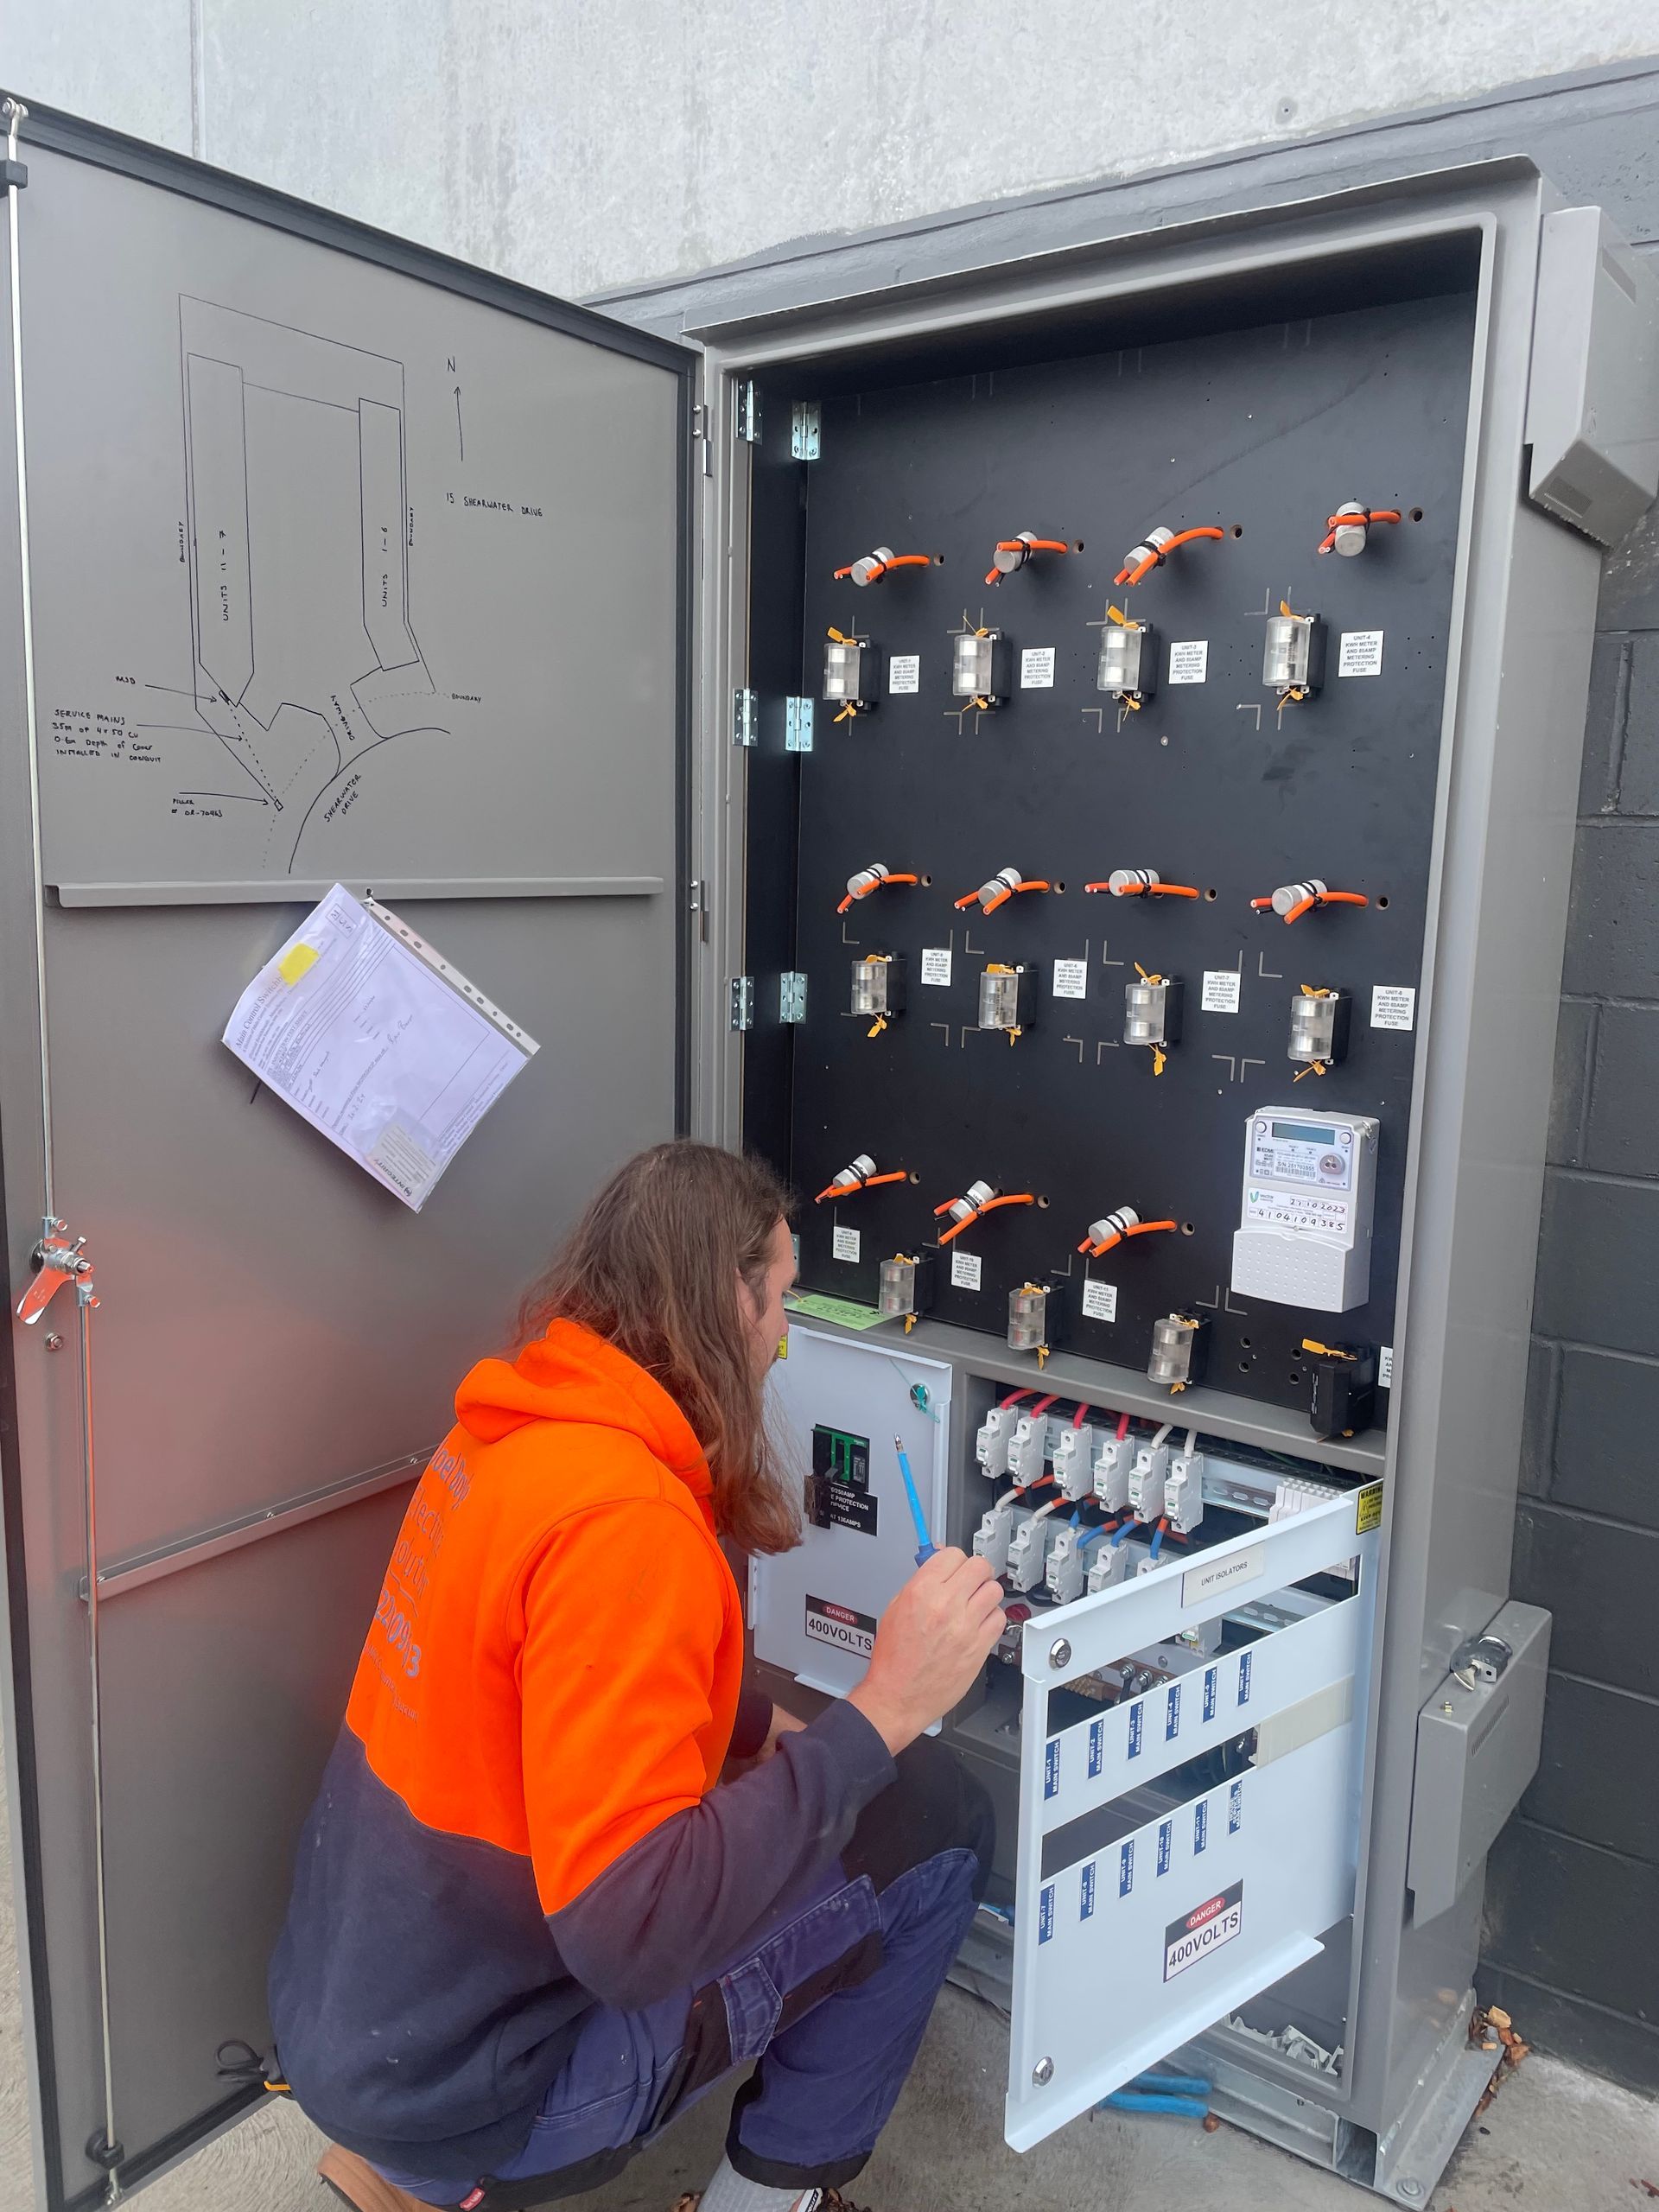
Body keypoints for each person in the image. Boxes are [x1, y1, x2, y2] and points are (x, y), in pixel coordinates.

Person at [270, 1140, 1006, 2212]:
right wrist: (884, 1711)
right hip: (488, 2096)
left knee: (829, 1773)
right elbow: (632, 1930)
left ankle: (395, 2170)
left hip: (361, 2027)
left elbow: (572, 1684)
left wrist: (768, 1732)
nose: (786, 1339)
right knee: (940, 1820)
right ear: (723, 1305)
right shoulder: (632, 1527)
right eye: (780, 1300)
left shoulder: (509, 1441)